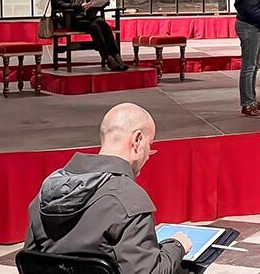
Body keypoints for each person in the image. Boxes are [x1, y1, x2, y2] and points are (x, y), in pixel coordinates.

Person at [24, 103, 192, 274]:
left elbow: (29, 261)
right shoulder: (128, 199)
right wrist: (177, 246)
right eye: (150, 145)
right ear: (137, 140)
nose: (148, 155)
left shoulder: (47, 192)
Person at [53, 0, 128, 71]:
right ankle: (108, 58)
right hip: (72, 19)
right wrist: (79, 6)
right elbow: (60, 3)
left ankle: (116, 56)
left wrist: (103, 1)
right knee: (95, 27)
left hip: (88, 17)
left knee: (102, 24)